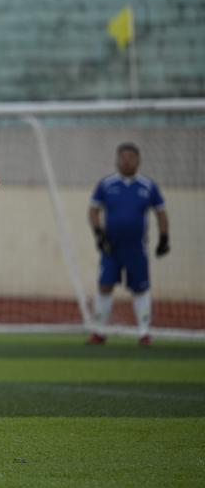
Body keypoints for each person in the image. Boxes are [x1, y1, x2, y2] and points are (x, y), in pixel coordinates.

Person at [87, 142, 169, 346]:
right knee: (104, 285)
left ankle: (144, 332)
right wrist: (99, 234)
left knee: (140, 288)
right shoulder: (106, 184)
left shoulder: (148, 186)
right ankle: (99, 331)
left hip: (136, 247)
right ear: (117, 159)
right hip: (111, 246)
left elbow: (160, 212)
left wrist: (164, 237)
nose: (126, 160)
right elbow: (93, 210)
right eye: (123, 157)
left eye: (131, 157)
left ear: (138, 160)